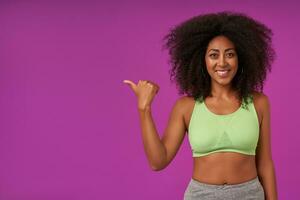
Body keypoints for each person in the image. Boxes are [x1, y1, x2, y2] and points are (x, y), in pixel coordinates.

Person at [123, 11, 278, 200]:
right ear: (201, 60)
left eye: (230, 54)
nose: (222, 62)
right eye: (214, 55)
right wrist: (144, 109)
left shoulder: (259, 103)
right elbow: (158, 161)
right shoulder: (186, 107)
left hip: (250, 194)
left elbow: (265, 164)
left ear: (241, 58)